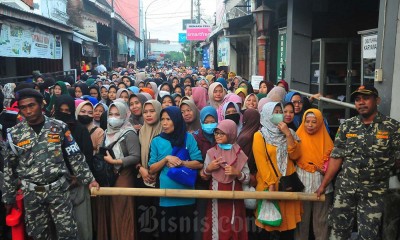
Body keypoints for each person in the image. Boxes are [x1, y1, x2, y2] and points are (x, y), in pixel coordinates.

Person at [2, 89, 99, 240]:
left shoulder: (59, 127)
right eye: (23, 108)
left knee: (68, 234)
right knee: (39, 235)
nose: (28, 111)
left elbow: (75, 155)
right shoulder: (14, 134)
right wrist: (8, 198)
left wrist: (89, 179)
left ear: (41, 105)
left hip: (58, 190)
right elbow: (9, 167)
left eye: (31, 105)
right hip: (32, 194)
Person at [316, 86, 400, 240]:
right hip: (345, 190)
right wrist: (324, 185)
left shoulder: (392, 127)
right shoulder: (347, 126)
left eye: (366, 98)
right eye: (357, 99)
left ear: (377, 100)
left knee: (369, 235)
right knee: (338, 233)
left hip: (374, 192)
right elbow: (337, 157)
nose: (361, 102)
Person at [148, 106, 203, 240]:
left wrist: (181, 162)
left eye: (168, 119)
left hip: (186, 197)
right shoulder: (156, 140)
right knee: (167, 235)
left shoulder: (188, 138)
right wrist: (166, 159)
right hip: (165, 198)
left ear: (177, 120)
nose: (164, 123)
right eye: (162, 119)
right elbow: (151, 168)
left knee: (186, 235)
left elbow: (199, 163)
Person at [253, 102, 302, 239]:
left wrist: (287, 134)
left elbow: (295, 155)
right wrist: (271, 183)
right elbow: (261, 162)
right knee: (267, 227)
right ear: (268, 114)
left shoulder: (290, 133)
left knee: (287, 230)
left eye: (280, 111)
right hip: (270, 186)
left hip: (288, 185)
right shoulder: (260, 136)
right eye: (275, 111)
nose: (279, 114)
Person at [202, 119, 250, 240]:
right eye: (216, 133)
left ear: (231, 134)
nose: (217, 136)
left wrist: (237, 173)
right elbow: (204, 176)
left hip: (234, 198)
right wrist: (209, 168)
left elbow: (247, 178)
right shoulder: (211, 153)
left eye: (221, 133)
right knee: (216, 227)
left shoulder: (240, 154)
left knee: (234, 226)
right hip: (216, 197)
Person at [103, 101, 141, 239]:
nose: (113, 117)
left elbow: (135, 156)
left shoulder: (129, 132)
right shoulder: (106, 132)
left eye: (117, 114)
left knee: (123, 211)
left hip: (123, 176)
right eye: (111, 114)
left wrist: (116, 162)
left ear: (124, 115)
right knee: (112, 211)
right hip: (109, 177)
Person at [295, 109, 334, 240]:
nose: (310, 125)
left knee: (322, 222)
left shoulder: (327, 141)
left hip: (322, 186)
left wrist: (324, 170)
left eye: (314, 122)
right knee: (301, 222)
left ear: (320, 123)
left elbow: (333, 164)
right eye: (307, 121)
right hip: (302, 185)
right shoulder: (296, 138)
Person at [136, 100, 162, 239]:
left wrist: (155, 171)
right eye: (145, 112)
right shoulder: (141, 132)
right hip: (143, 179)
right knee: (144, 220)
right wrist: (141, 169)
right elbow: (135, 155)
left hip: (160, 181)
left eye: (152, 111)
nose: (148, 115)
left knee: (159, 219)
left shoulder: (165, 131)